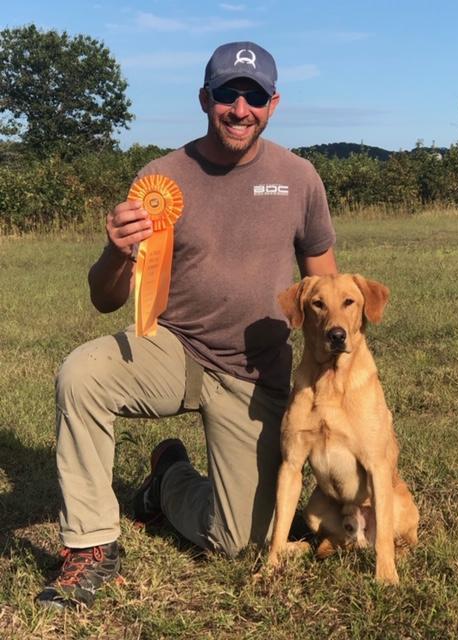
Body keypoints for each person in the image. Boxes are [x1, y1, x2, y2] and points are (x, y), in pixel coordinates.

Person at [36, 41, 337, 609]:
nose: (239, 108)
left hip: (256, 371)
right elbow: (105, 300)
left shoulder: (300, 179)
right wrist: (115, 251)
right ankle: (92, 544)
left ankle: (168, 479)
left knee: (241, 540)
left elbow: (327, 287)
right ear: (205, 98)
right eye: (228, 93)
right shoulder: (161, 177)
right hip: (172, 347)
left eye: (253, 96)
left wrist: (328, 380)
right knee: (82, 374)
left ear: (273, 104)